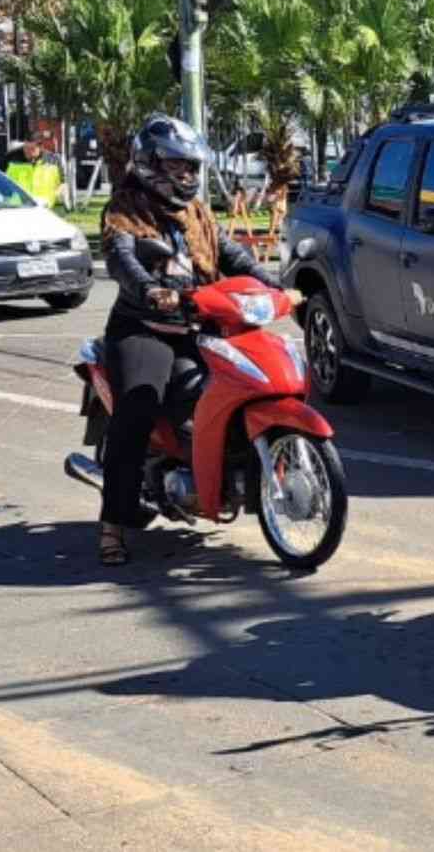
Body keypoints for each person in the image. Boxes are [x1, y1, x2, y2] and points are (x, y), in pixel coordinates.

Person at [97, 115, 287, 566]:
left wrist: (273, 286)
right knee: (140, 405)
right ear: (150, 165)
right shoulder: (125, 210)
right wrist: (149, 290)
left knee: (233, 391)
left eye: (191, 168)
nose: (187, 176)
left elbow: (231, 253)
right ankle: (112, 523)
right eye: (178, 167)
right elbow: (123, 260)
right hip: (145, 327)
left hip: (201, 321)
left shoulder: (195, 211)